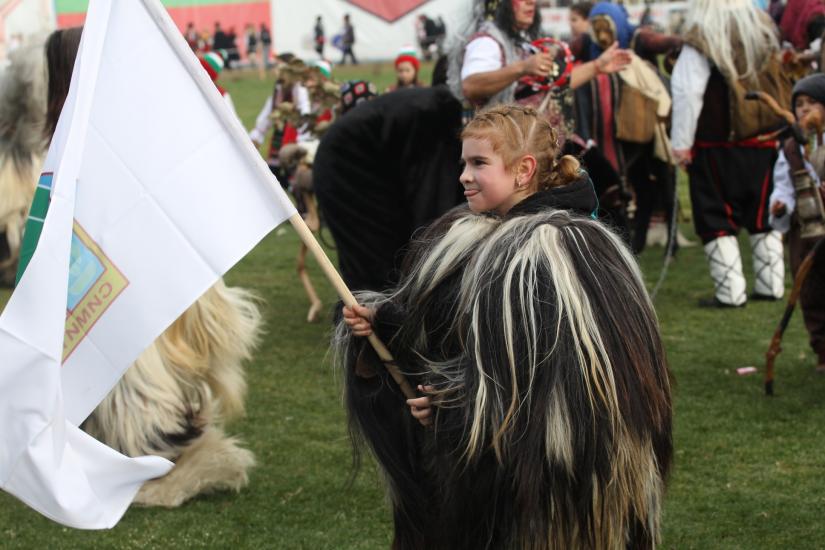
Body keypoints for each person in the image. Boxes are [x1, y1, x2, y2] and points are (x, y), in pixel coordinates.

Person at [337, 104, 672, 549]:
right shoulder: (480, 234)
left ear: (523, 170)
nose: (463, 176)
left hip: (553, 476)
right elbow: (445, 319)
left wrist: (455, 409)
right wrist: (383, 320)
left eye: (479, 163)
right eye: (463, 163)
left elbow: (546, 378)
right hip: (498, 466)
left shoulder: (549, 253)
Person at [30, 27, 261, 508]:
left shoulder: (83, 140)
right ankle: (155, 445)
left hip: (119, 271)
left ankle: (159, 451)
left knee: (130, 368)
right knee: (132, 368)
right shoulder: (116, 129)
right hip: (131, 268)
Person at [671, 0, 791, 307]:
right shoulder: (761, 29)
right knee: (762, 213)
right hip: (764, 141)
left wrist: (681, 143)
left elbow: (687, 91)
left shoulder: (702, 34)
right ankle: (771, 285)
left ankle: (730, 292)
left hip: (717, 145)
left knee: (716, 216)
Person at [769, 74, 825, 372]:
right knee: (811, 291)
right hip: (805, 232)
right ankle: (822, 349)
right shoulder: (791, 147)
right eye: (799, 104)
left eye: (813, 103)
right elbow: (783, 185)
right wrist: (780, 205)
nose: (804, 110)